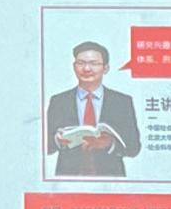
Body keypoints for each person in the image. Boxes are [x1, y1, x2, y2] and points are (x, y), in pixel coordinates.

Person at [46, 40, 141, 177]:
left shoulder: (121, 102)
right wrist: (57, 140)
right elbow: (44, 146)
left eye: (94, 63)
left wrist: (110, 143)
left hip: (110, 178)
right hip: (68, 177)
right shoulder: (59, 101)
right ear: (74, 66)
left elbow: (134, 148)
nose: (86, 69)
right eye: (80, 63)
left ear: (105, 68)